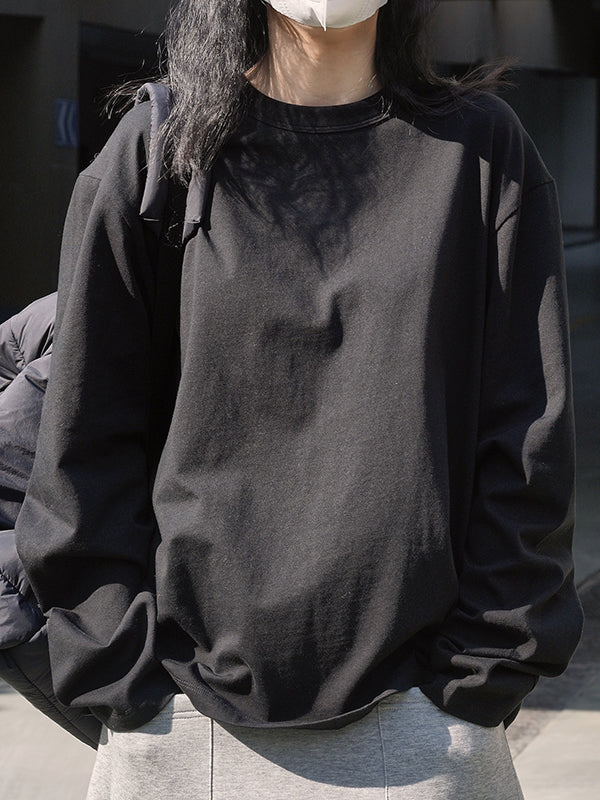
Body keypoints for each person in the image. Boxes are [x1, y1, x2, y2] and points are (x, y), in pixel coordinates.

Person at [15, 1, 583, 798]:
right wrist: (127, 682)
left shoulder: (484, 154)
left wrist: (473, 685)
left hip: (422, 732)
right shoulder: (161, 152)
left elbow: (526, 447)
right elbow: (84, 446)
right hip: (181, 733)